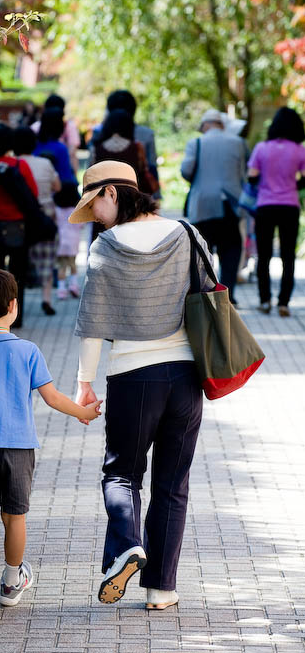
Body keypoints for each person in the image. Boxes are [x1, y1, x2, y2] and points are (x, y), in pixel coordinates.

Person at [69, 160, 214, 610]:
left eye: (94, 204)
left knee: (121, 473)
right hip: (186, 374)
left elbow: (93, 322)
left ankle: (128, 544)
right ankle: (161, 589)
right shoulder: (187, 233)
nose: (93, 214)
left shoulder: (107, 247)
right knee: (173, 484)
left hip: (133, 375)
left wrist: (84, 383)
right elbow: (209, 291)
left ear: (112, 193)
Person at [0, 268, 102, 620]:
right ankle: (12, 581)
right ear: (14, 306)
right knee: (15, 518)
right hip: (19, 449)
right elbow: (52, 397)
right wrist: (84, 412)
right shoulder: (28, 351)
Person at [181, 107, 246, 304]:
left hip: (203, 205)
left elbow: (186, 171)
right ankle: (228, 294)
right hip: (231, 204)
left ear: (206, 125)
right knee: (231, 249)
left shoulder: (196, 143)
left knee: (203, 251)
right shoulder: (239, 143)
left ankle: (206, 294)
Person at [247, 106, 305, 316]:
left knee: (264, 255)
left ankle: (264, 300)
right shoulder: (299, 150)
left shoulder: (262, 148)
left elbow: (252, 177)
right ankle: (284, 303)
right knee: (288, 256)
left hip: (265, 205)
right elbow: (304, 179)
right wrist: (292, 184)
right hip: (290, 206)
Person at [0, 123, 39, 328]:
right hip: (18, 226)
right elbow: (33, 193)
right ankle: (17, 317)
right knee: (17, 274)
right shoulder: (19, 165)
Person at [34, 109, 82, 300]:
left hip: (41, 201)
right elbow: (67, 176)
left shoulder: (37, 147)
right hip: (64, 199)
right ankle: (67, 284)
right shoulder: (61, 149)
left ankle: (54, 283)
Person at [12, 126, 61, 316]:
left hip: (20, 218)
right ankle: (46, 299)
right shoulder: (45, 163)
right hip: (45, 216)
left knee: (19, 263)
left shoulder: (12, 163)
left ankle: (16, 303)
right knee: (47, 261)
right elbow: (57, 186)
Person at [91, 89, 158, 176]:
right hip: (137, 188)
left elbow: (91, 171)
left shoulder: (98, 133)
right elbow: (152, 168)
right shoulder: (146, 134)